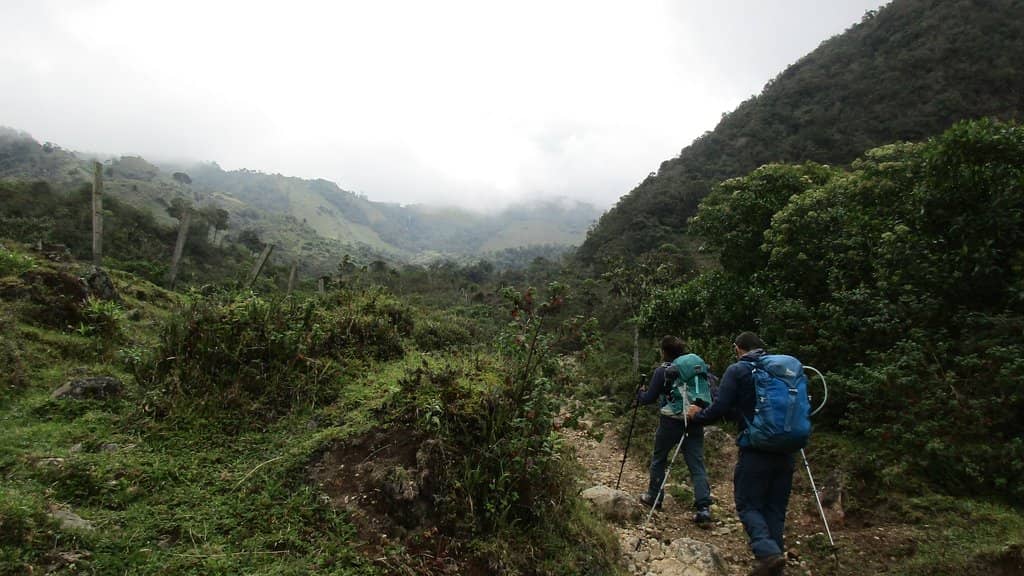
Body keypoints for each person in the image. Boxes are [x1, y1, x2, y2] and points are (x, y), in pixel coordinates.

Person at [687, 331, 792, 576]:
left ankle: (767, 553)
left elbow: (720, 408)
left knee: (748, 504)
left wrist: (697, 416)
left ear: (738, 348)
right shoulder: (782, 369)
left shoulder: (738, 370)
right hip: (787, 448)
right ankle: (774, 561)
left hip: (756, 449)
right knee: (775, 508)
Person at [636, 336, 713, 525]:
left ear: (664, 351)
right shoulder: (695, 368)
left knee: (659, 458)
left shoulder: (663, 371)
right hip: (694, 420)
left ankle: (654, 496)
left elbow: (649, 398)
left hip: (670, 421)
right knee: (696, 464)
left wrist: (639, 393)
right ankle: (703, 508)